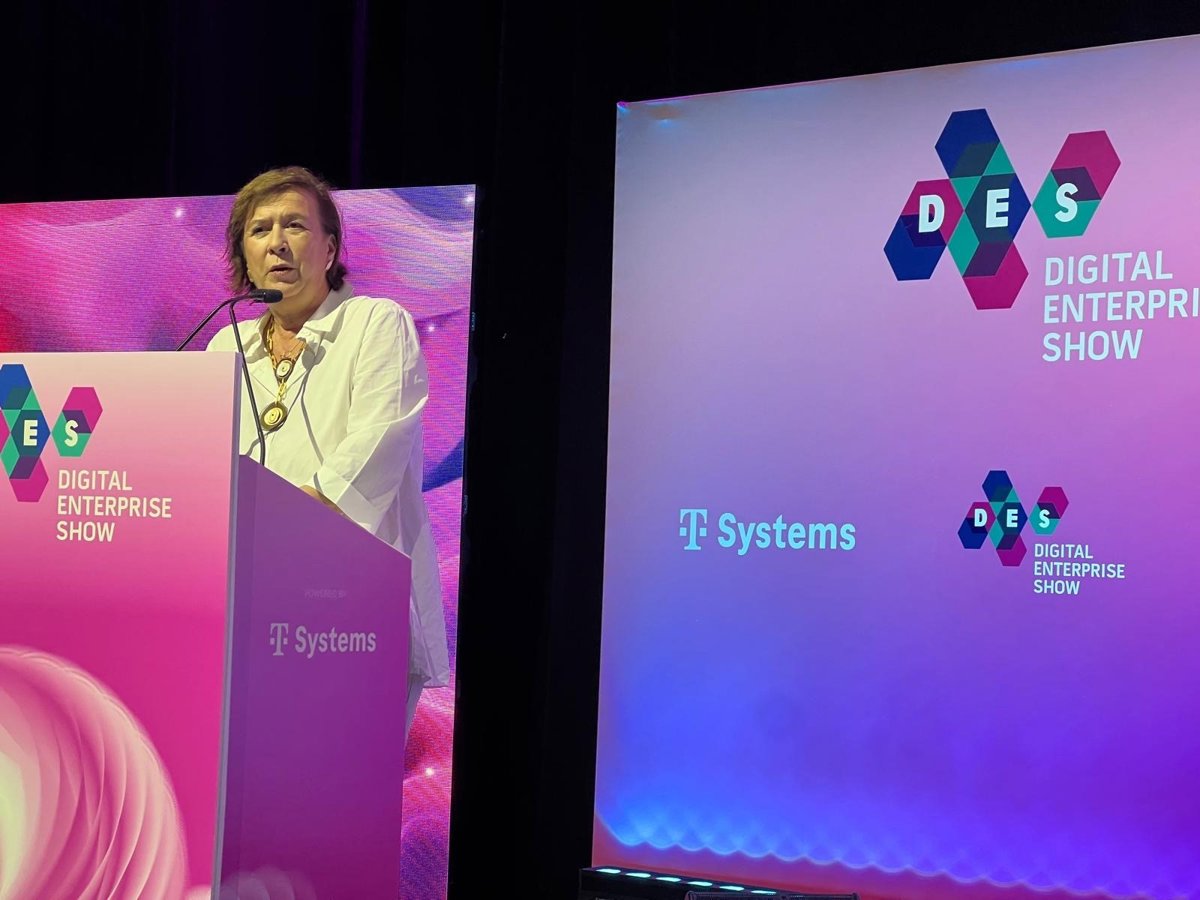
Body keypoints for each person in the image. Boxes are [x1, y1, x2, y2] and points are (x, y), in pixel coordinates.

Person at [207, 166, 449, 735]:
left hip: (349, 612)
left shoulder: (375, 323)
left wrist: (270, 531)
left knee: (334, 782)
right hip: (245, 610)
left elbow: (372, 453)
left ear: (330, 249)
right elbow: (201, 468)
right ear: (245, 257)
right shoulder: (225, 344)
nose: (277, 242)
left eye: (295, 225)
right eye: (260, 229)